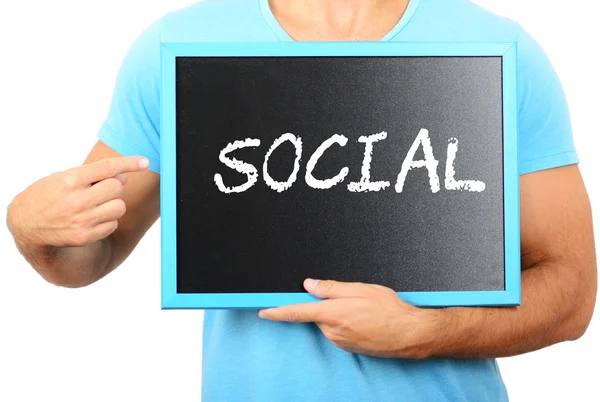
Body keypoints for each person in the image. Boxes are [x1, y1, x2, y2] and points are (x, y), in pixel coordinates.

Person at [6, 0, 597, 400]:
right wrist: (31, 228)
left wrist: (425, 332)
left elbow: (571, 293)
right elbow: (89, 258)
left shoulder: (495, 47)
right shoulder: (179, 46)